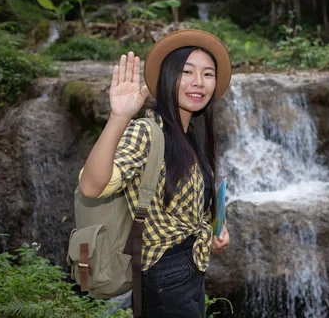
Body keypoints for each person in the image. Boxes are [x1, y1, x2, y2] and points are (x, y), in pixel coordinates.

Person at [78, 29, 232, 317]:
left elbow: (187, 209)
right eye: (187, 72)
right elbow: (91, 186)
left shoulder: (191, 136)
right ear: (167, 77)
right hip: (164, 277)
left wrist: (214, 231)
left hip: (190, 270)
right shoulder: (147, 132)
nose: (198, 82)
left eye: (208, 74)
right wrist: (119, 116)